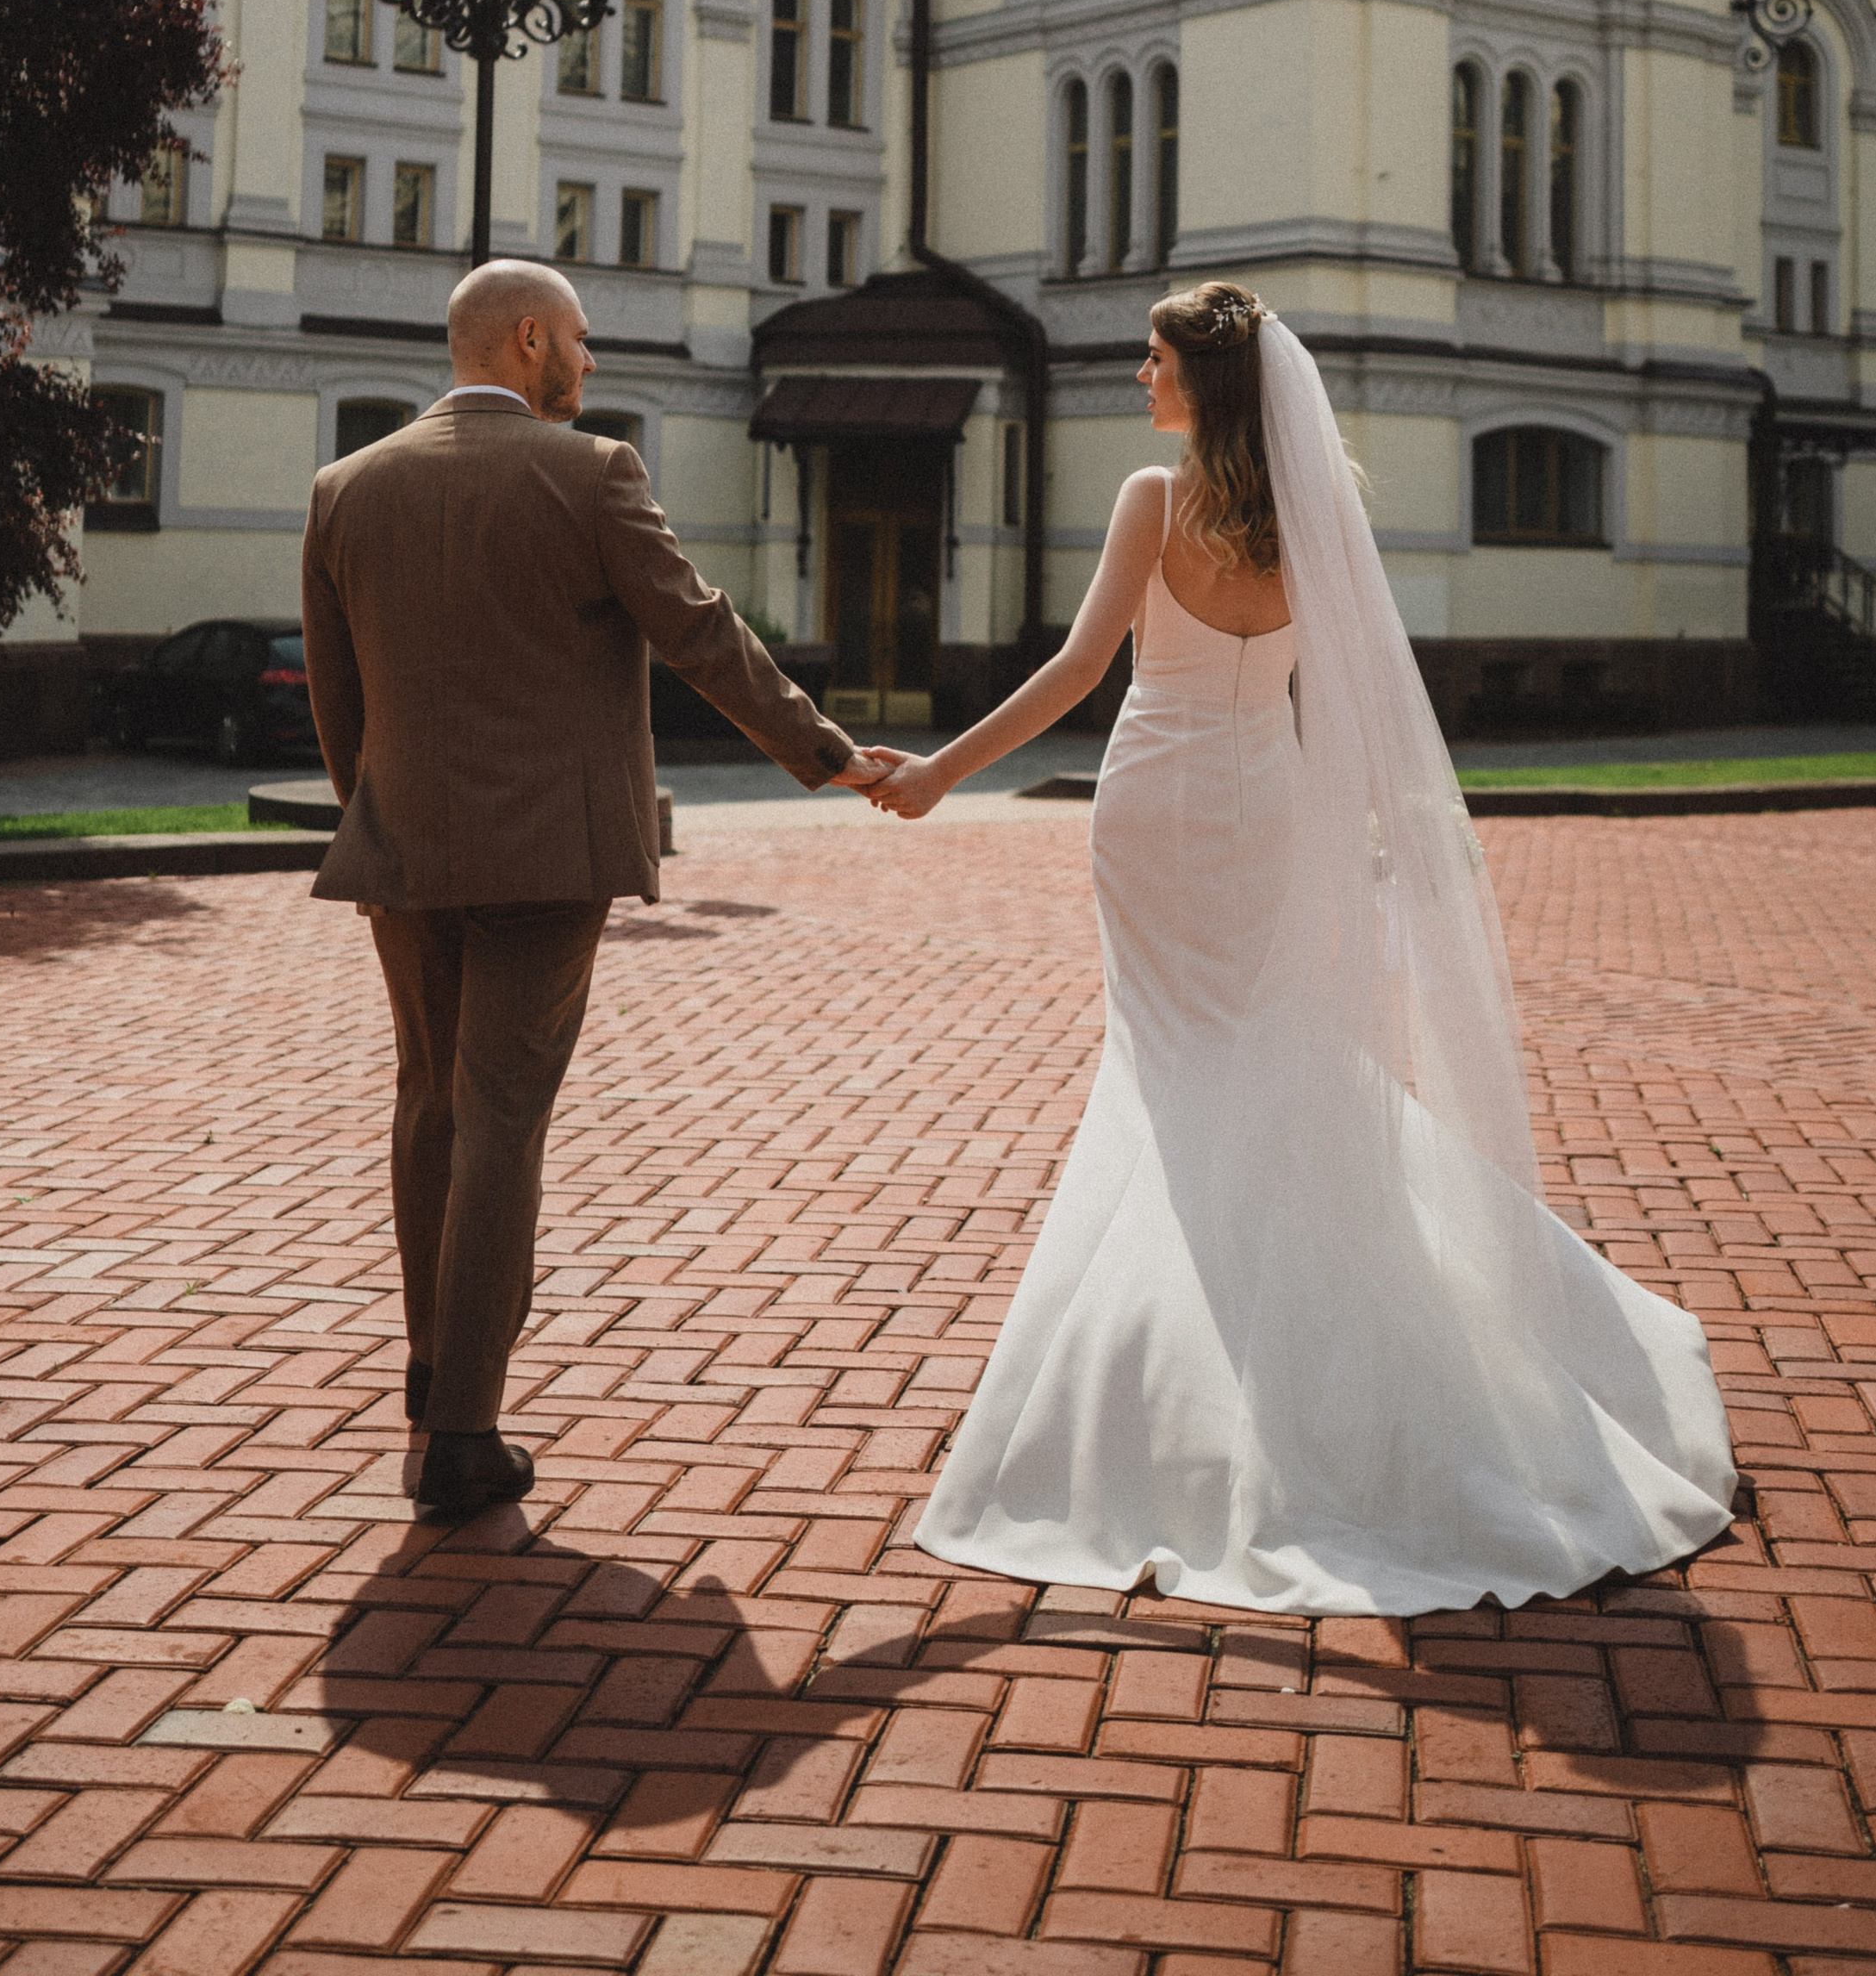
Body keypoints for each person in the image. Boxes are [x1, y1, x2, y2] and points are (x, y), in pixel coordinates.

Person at [867, 277, 1736, 1614]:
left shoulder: (1153, 503)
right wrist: (1366, 830)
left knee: (1174, 1074)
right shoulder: (1315, 509)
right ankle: (1293, 1373)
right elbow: (1350, 691)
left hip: (1153, 807)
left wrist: (941, 770)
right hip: (1266, 803)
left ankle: (1181, 1405)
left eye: (1153, 361)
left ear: (1201, 382)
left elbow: (1079, 669)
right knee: (1273, 1062)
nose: (1137, 379)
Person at [301, 258, 891, 1520]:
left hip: (398, 851)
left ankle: (429, 1369)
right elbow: (701, 634)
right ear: (527, 342)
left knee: (427, 1104)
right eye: (578, 338)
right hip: (548, 861)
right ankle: (465, 1432)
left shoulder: (344, 488)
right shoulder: (593, 472)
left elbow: (336, 697)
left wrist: (378, 816)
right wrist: (827, 754)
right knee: (502, 1115)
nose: (589, 361)